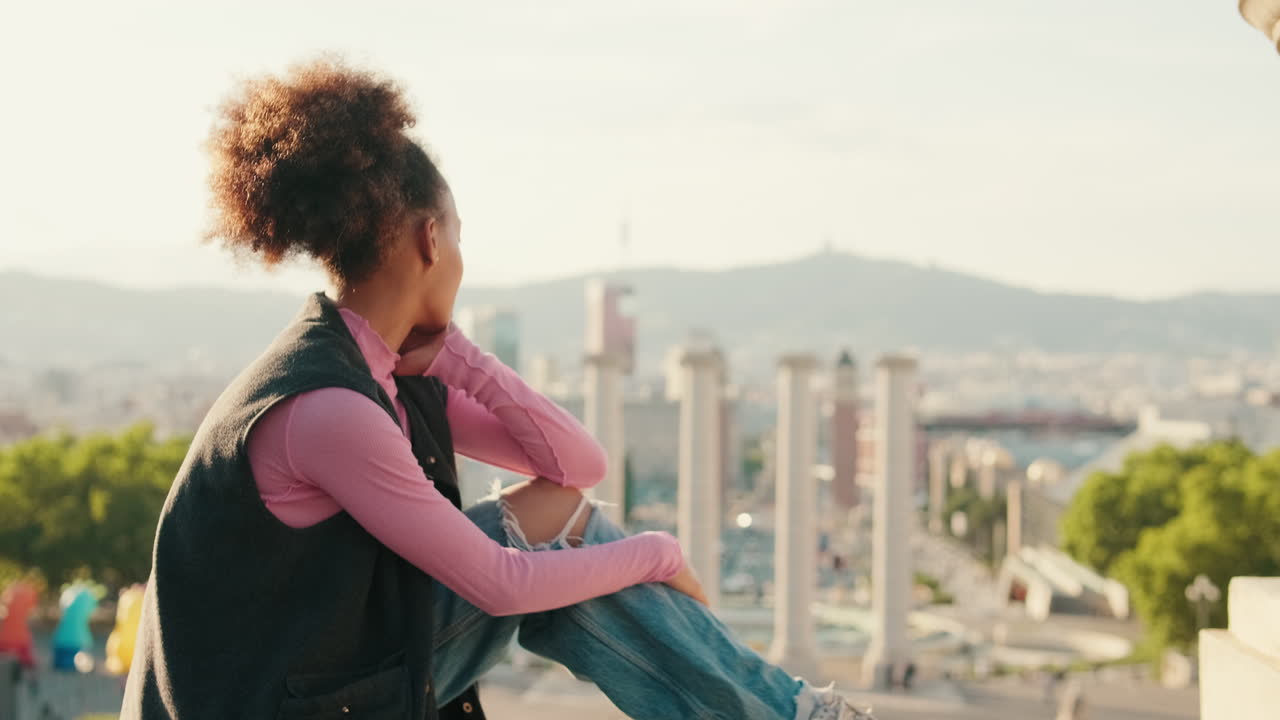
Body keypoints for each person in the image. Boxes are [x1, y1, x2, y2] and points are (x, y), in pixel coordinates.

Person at [121, 58, 874, 720]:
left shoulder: (380, 374)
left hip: (316, 685)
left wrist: (461, 358)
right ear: (431, 240)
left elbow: (576, 469)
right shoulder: (327, 409)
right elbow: (501, 584)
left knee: (560, 521)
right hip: (268, 706)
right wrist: (658, 552)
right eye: (459, 233)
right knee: (571, 552)